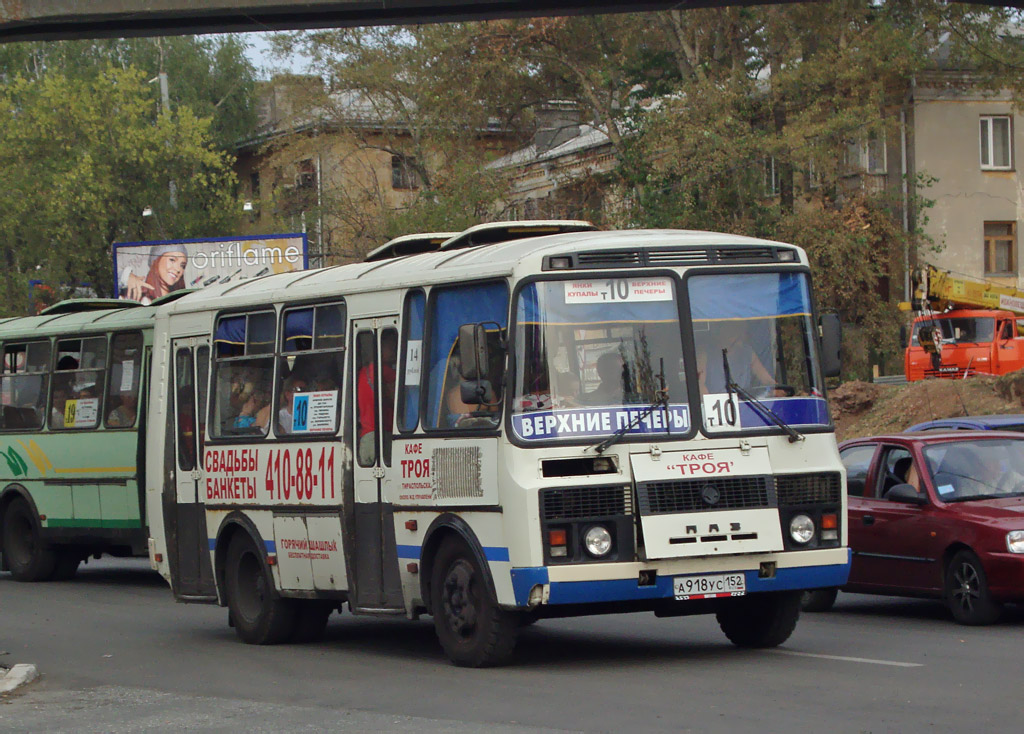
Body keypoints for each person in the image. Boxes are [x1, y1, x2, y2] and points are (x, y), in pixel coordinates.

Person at [697, 320, 776, 395]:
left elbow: (766, 379)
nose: (744, 334)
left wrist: (776, 389)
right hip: (716, 405)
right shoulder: (705, 352)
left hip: (746, 404)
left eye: (743, 330)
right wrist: (709, 402)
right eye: (738, 330)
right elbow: (699, 384)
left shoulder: (747, 351)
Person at [357, 333, 397, 464]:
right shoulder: (387, 372)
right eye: (390, 348)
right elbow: (399, 397)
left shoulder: (363, 372)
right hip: (382, 437)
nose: (394, 351)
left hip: (365, 440)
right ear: (380, 349)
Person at [120, 244, 189, 304]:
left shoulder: (181, 300)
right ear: (155, 261)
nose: (178, 269)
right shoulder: (135, 297)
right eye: (172, 260)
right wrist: (127, 275)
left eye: (182, 266)